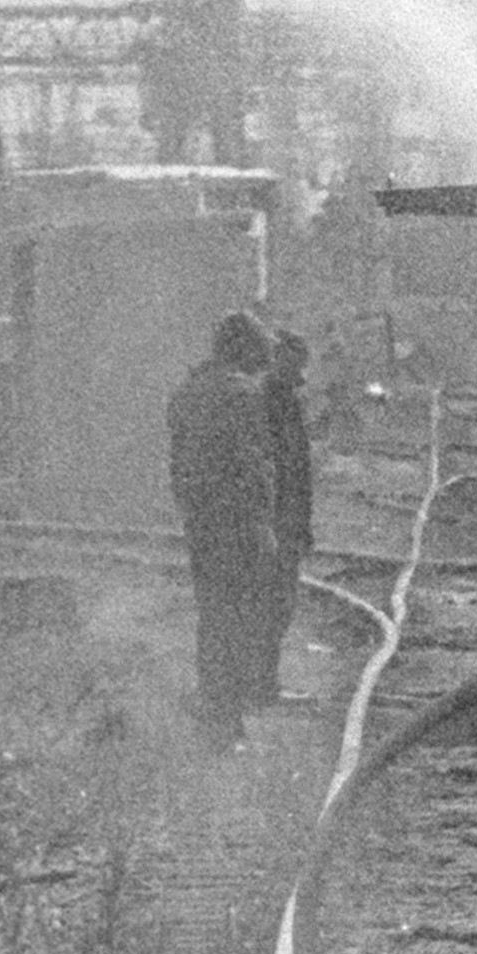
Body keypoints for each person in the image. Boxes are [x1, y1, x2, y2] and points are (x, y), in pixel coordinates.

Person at [162, 309, 284, 750]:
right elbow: (253, 468)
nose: (266, 354)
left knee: (213, 617)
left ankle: (214, 710)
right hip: (238, 525)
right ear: (243, 348)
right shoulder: (241, 395)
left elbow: (181, 465)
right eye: (259, 346)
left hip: (202, 522)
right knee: (240, 619)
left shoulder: (187, 393)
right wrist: (262, 524)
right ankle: (226, 720)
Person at [257, 326, 317, 700]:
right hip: (273, 520)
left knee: (279, 603)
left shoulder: (285, 401)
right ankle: (260, 682)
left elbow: (298, 468)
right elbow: (277, 467)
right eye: (293, 364)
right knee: (272, 603)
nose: (298, 375)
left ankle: (263, 680)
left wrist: (303, 523)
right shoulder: (265, 402)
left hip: (287, 519)